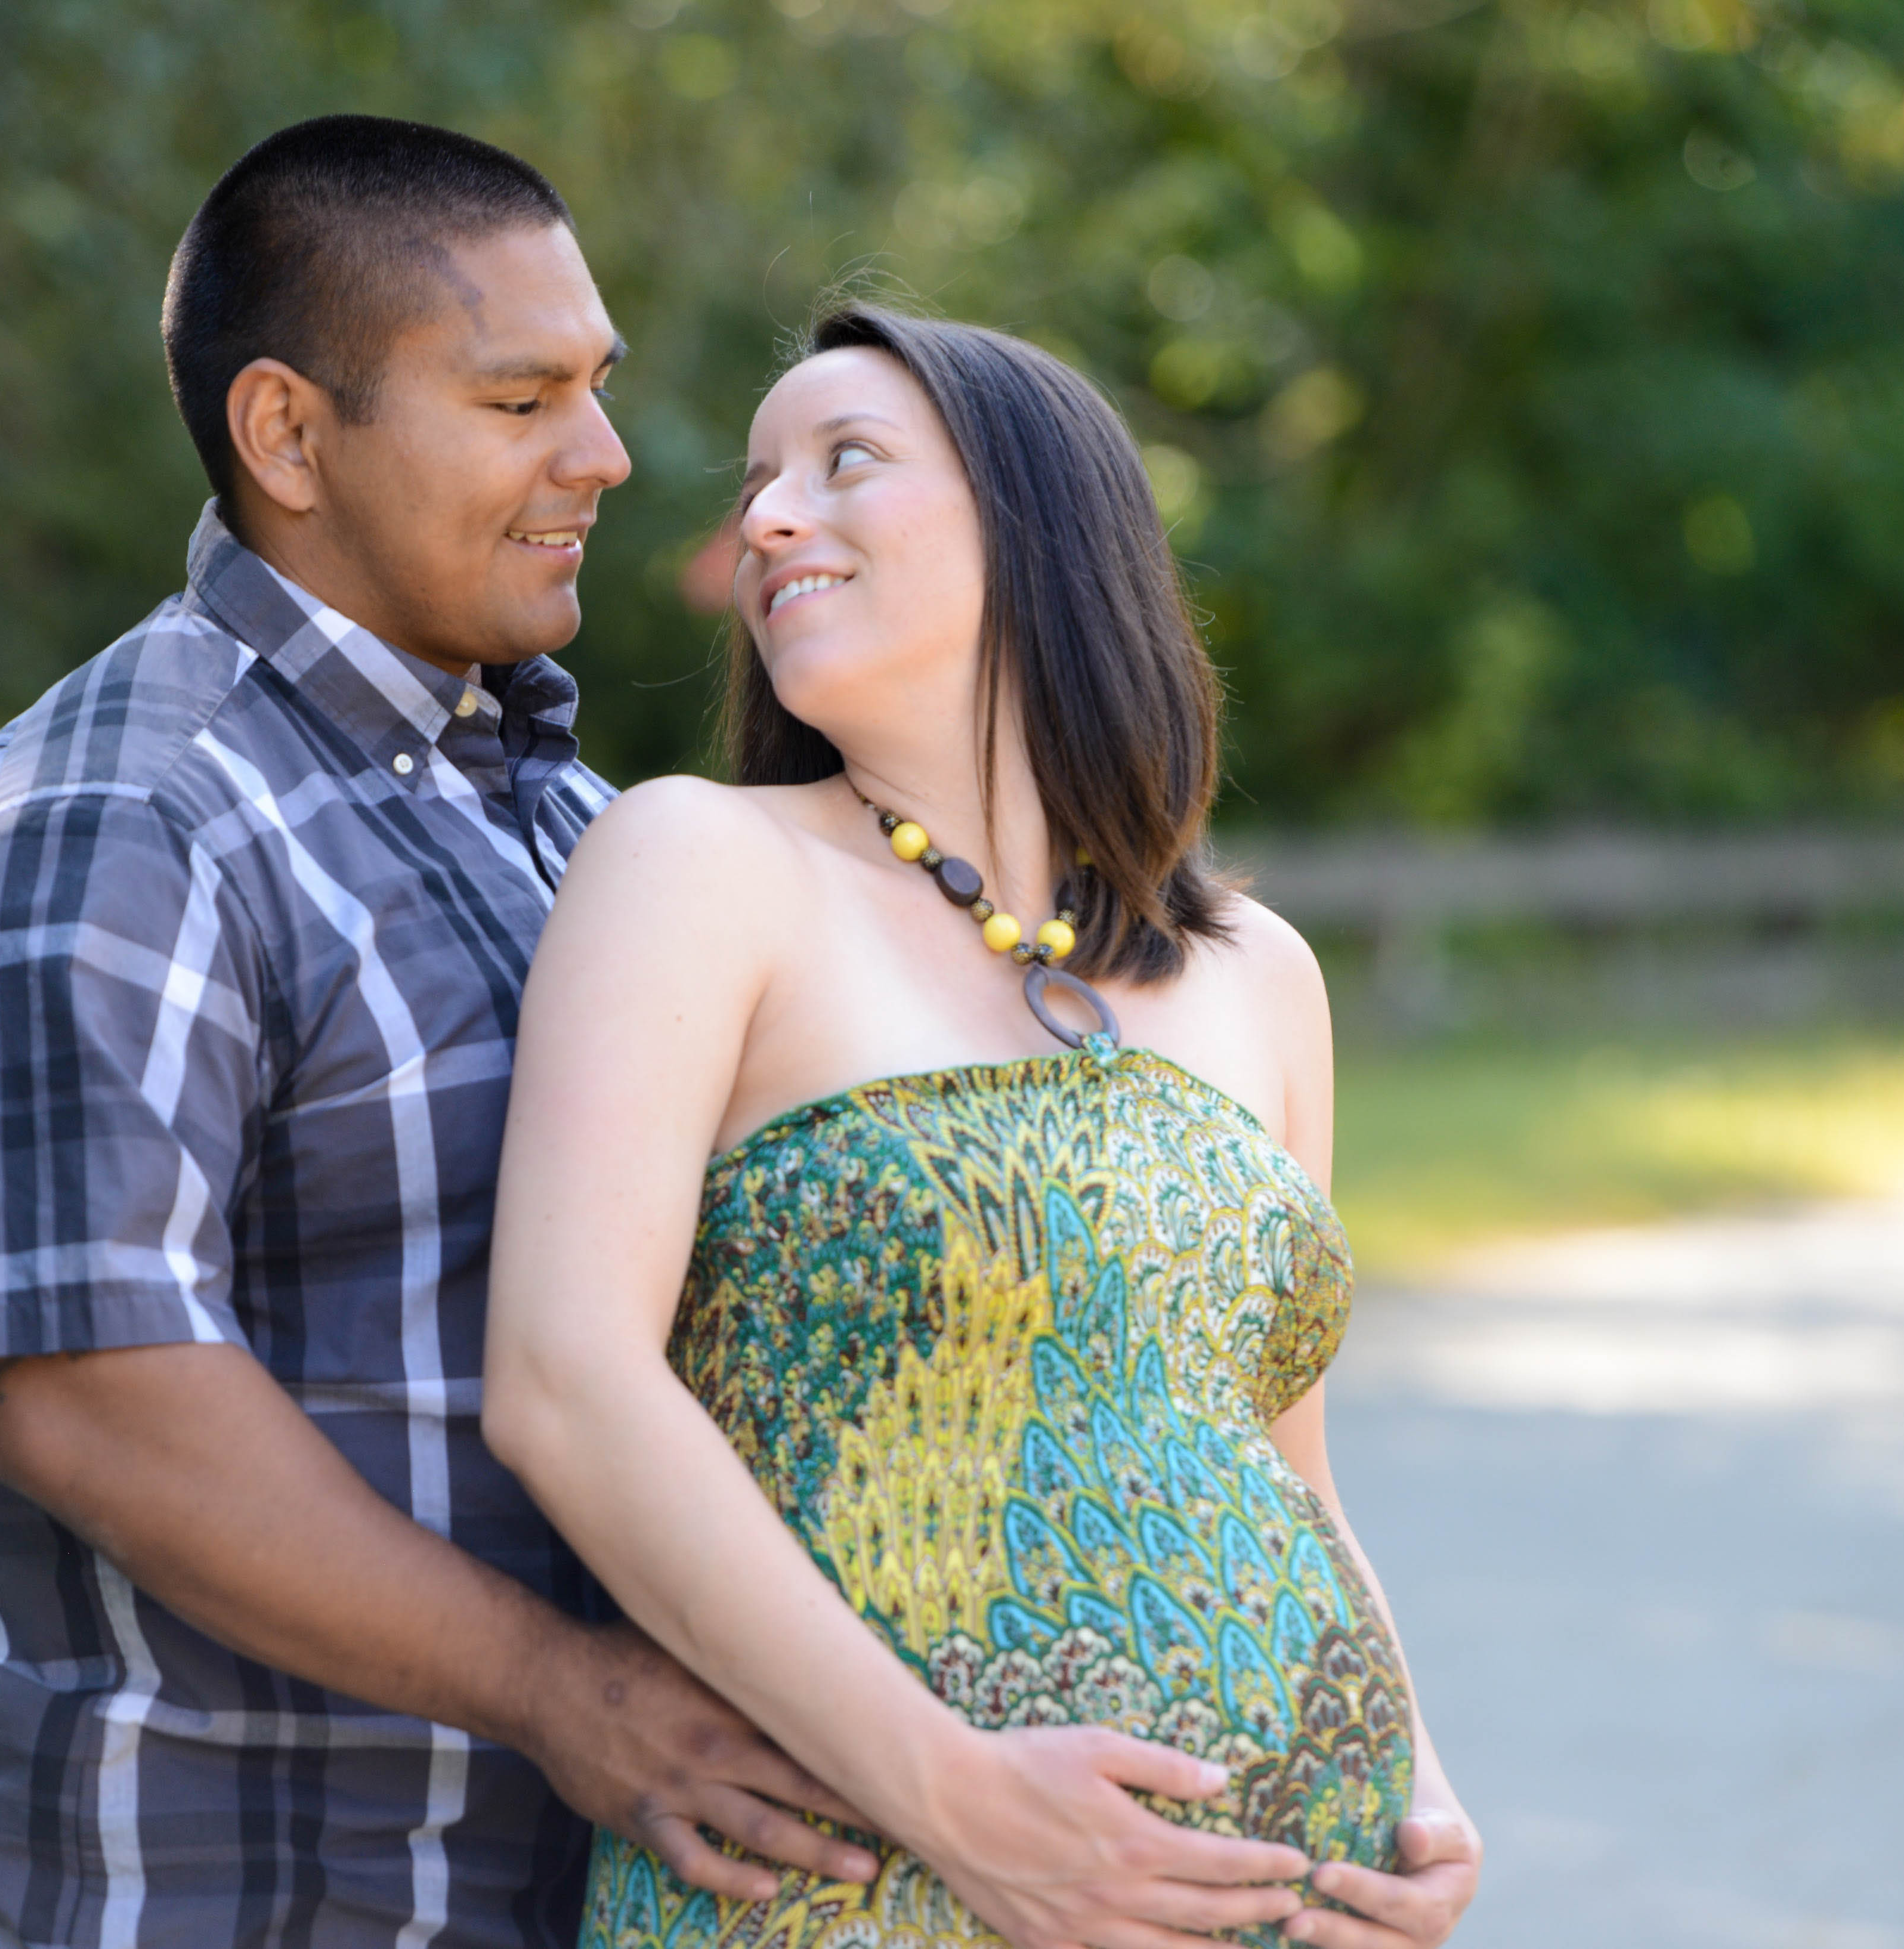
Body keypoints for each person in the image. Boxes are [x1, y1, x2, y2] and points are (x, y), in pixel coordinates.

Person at [0, 116, 875, 1948]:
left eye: (602, 387)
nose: (608, 456)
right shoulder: (110, 827)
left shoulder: (577, 825)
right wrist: (569, 1694)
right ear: (288, 434)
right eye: (519, 399)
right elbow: (90, 1396)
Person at [483, 305, 1482, 1949]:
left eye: (845, 459)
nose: (765, 518)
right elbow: (563, 1382)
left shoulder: (1261, 975)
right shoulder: (702, 866)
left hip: (1261, 1907)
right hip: (854, 1882)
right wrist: (955, 1797)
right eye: (757, 487)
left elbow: (1278, 1460)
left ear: (1040, 524)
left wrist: (1411, 1777)